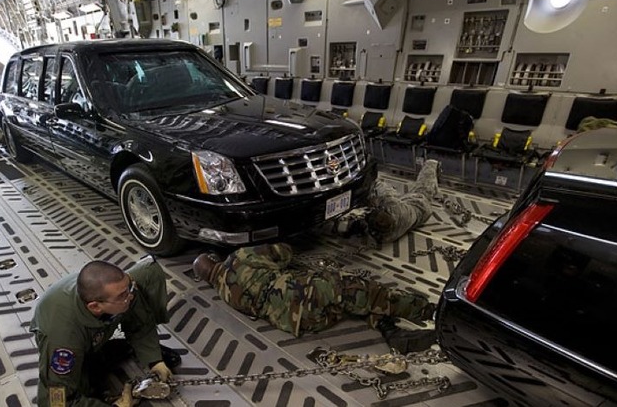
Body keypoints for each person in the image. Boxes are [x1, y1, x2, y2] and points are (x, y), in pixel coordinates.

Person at [193, 243, 437, 352]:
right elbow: (283, 251)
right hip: (306, 293)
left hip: (300, 322)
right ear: (216, 259)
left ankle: (391, 332)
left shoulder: (223, 293)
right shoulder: (238, 257)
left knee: (352, 306)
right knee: (364, 291)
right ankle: (429, 311)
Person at [30, 256, 181, 407]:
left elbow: (140, 322)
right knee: (85, 386)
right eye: (123, 295)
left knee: (139, 283)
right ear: (95, 306)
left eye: (129, 287)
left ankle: (105, 351)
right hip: (70, 339)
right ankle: (93, 359)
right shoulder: (63, 341)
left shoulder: (120, 293)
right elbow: (56, 403)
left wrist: (154, 360)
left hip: (94, 326)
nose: (131, 295)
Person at [333, 159, 441, 246]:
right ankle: (432, 164)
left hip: (408, 212)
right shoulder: (393, 210)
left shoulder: (381, 232)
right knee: (424, 188)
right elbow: (380, 188)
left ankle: (432, 173)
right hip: (420, 206)